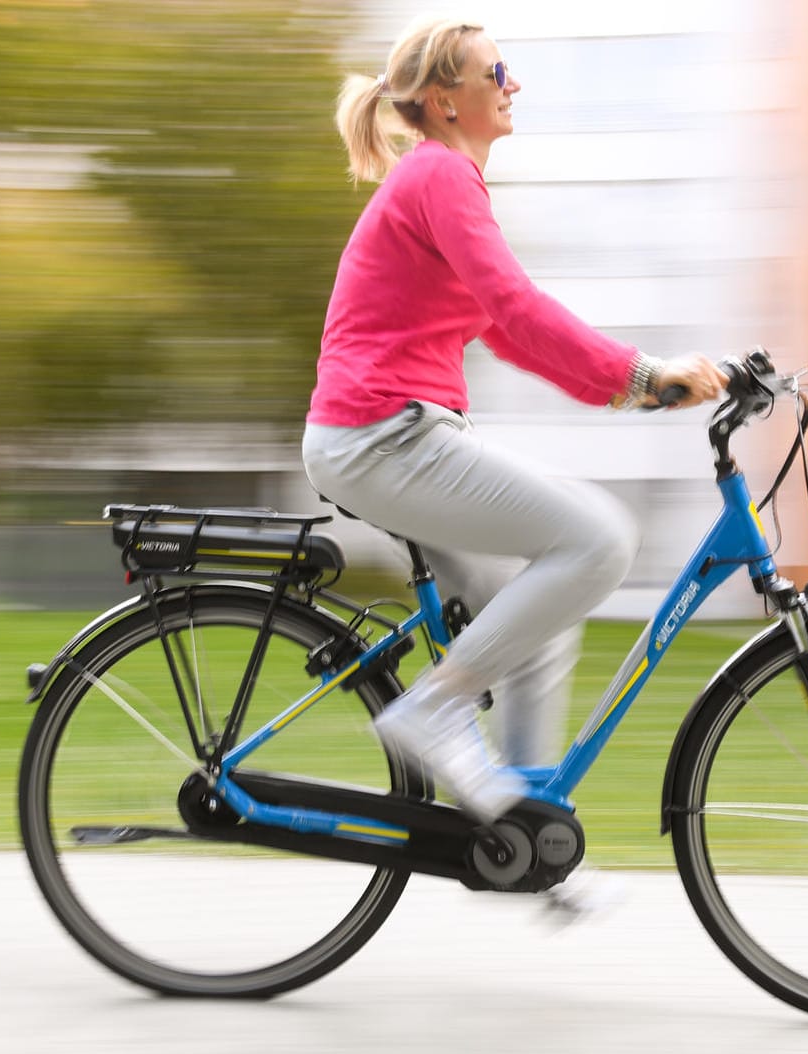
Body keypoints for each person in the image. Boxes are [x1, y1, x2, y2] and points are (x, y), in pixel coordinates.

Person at [302, 17, 726, 825]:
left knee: (538, 616)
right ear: (444, 100)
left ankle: (529, 829)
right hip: (382, 433)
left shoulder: (440, 181)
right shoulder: (440, 176)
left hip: (392, 434)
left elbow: (504, 329)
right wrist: (641, 374)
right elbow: (517, 308)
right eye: (497, 74)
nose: (513, 86)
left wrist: (635, 388)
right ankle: (436, 708)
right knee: (600, 536)